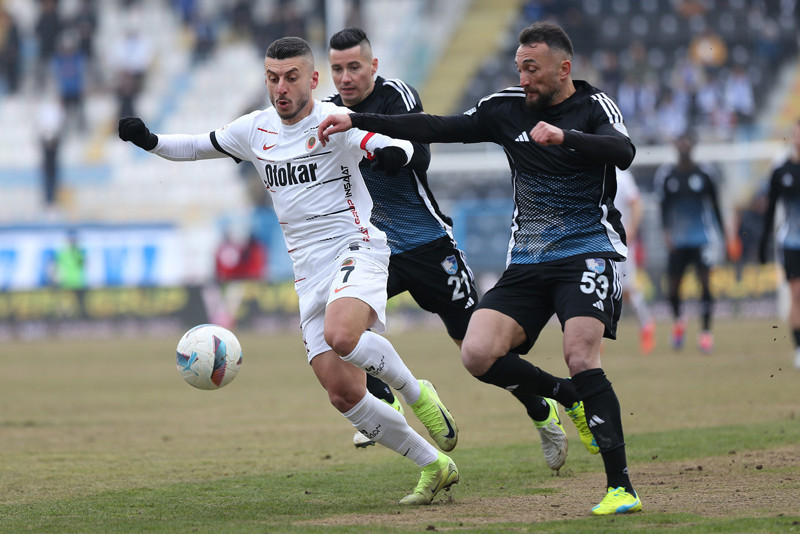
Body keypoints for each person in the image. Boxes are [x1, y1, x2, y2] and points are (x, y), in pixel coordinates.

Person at [119, 36, 459, 506]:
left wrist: (391, 154)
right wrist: (150, 141)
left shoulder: (334, 121)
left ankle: (416, 393)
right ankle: (433, 465)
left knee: (343, 335)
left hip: (356, 247)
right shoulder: (254, 129)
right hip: (307, 273)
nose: (281, 87)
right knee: (343, 394)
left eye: (291, 77)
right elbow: (197, 146)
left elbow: (401, 145)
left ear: (313, 80)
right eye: (273, 78)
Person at [319, 21, 641, 515]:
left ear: (563, 69)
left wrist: (566, 137)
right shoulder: (505, 108)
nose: (523, 78)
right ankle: (564, 397)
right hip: (527, 260)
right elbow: (437, 127)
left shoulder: (595, 107)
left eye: (532, 69)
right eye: (519, 68)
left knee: (580, 353)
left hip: (587, 249)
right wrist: (358, 122)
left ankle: (621, 487)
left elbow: (624, 151)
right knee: (475, 353)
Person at [654, 131, 726, 354]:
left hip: (701, 239)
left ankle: (706, 333)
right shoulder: (666, 175)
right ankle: (678, 322)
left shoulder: (705, 173)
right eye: (680, 142)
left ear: (693, 145)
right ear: (675, 145)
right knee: (673, 287)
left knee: (705, 284)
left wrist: (723, 235)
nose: (684, 145)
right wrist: (666, 233)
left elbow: (716, 205)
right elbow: (663, 208)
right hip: (677, 240)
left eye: (687, 141)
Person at [758, 119, 800, 370]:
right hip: (792, 243)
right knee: (797, 295)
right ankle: (798, 348)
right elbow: (771, 209)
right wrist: (763, 243)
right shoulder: (781, 171)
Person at [615, 167, 655, 355]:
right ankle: (595, 338)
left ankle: (646, 324)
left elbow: (637, 203)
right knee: (600, 288)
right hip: (597, 243)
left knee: (627, 290)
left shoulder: (622, 176)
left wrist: (631, 229)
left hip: (620, 244)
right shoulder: (590, 171)